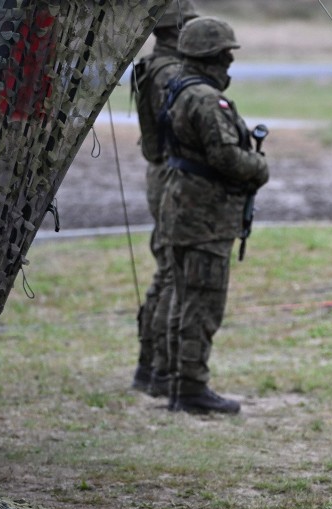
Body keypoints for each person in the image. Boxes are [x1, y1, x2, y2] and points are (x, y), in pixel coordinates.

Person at [157, 16, 269, 414]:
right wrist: (258, 168)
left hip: (183, 209)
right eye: (225, 55)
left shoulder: (178, 88)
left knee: (183, 301)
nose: (229, 64)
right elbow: (224, 156)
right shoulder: (206, 99)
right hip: (205, 217)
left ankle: (177, 382)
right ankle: (191, 388)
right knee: (201, 305)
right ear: (212, 56)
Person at [130, 0, 199, 397]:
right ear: (177, 28)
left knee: (166, 272)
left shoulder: (157, 65)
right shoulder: (170, 71)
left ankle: (151, 366)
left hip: (161, 171)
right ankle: (160, 367)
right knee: (174, 274)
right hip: (170, 174)